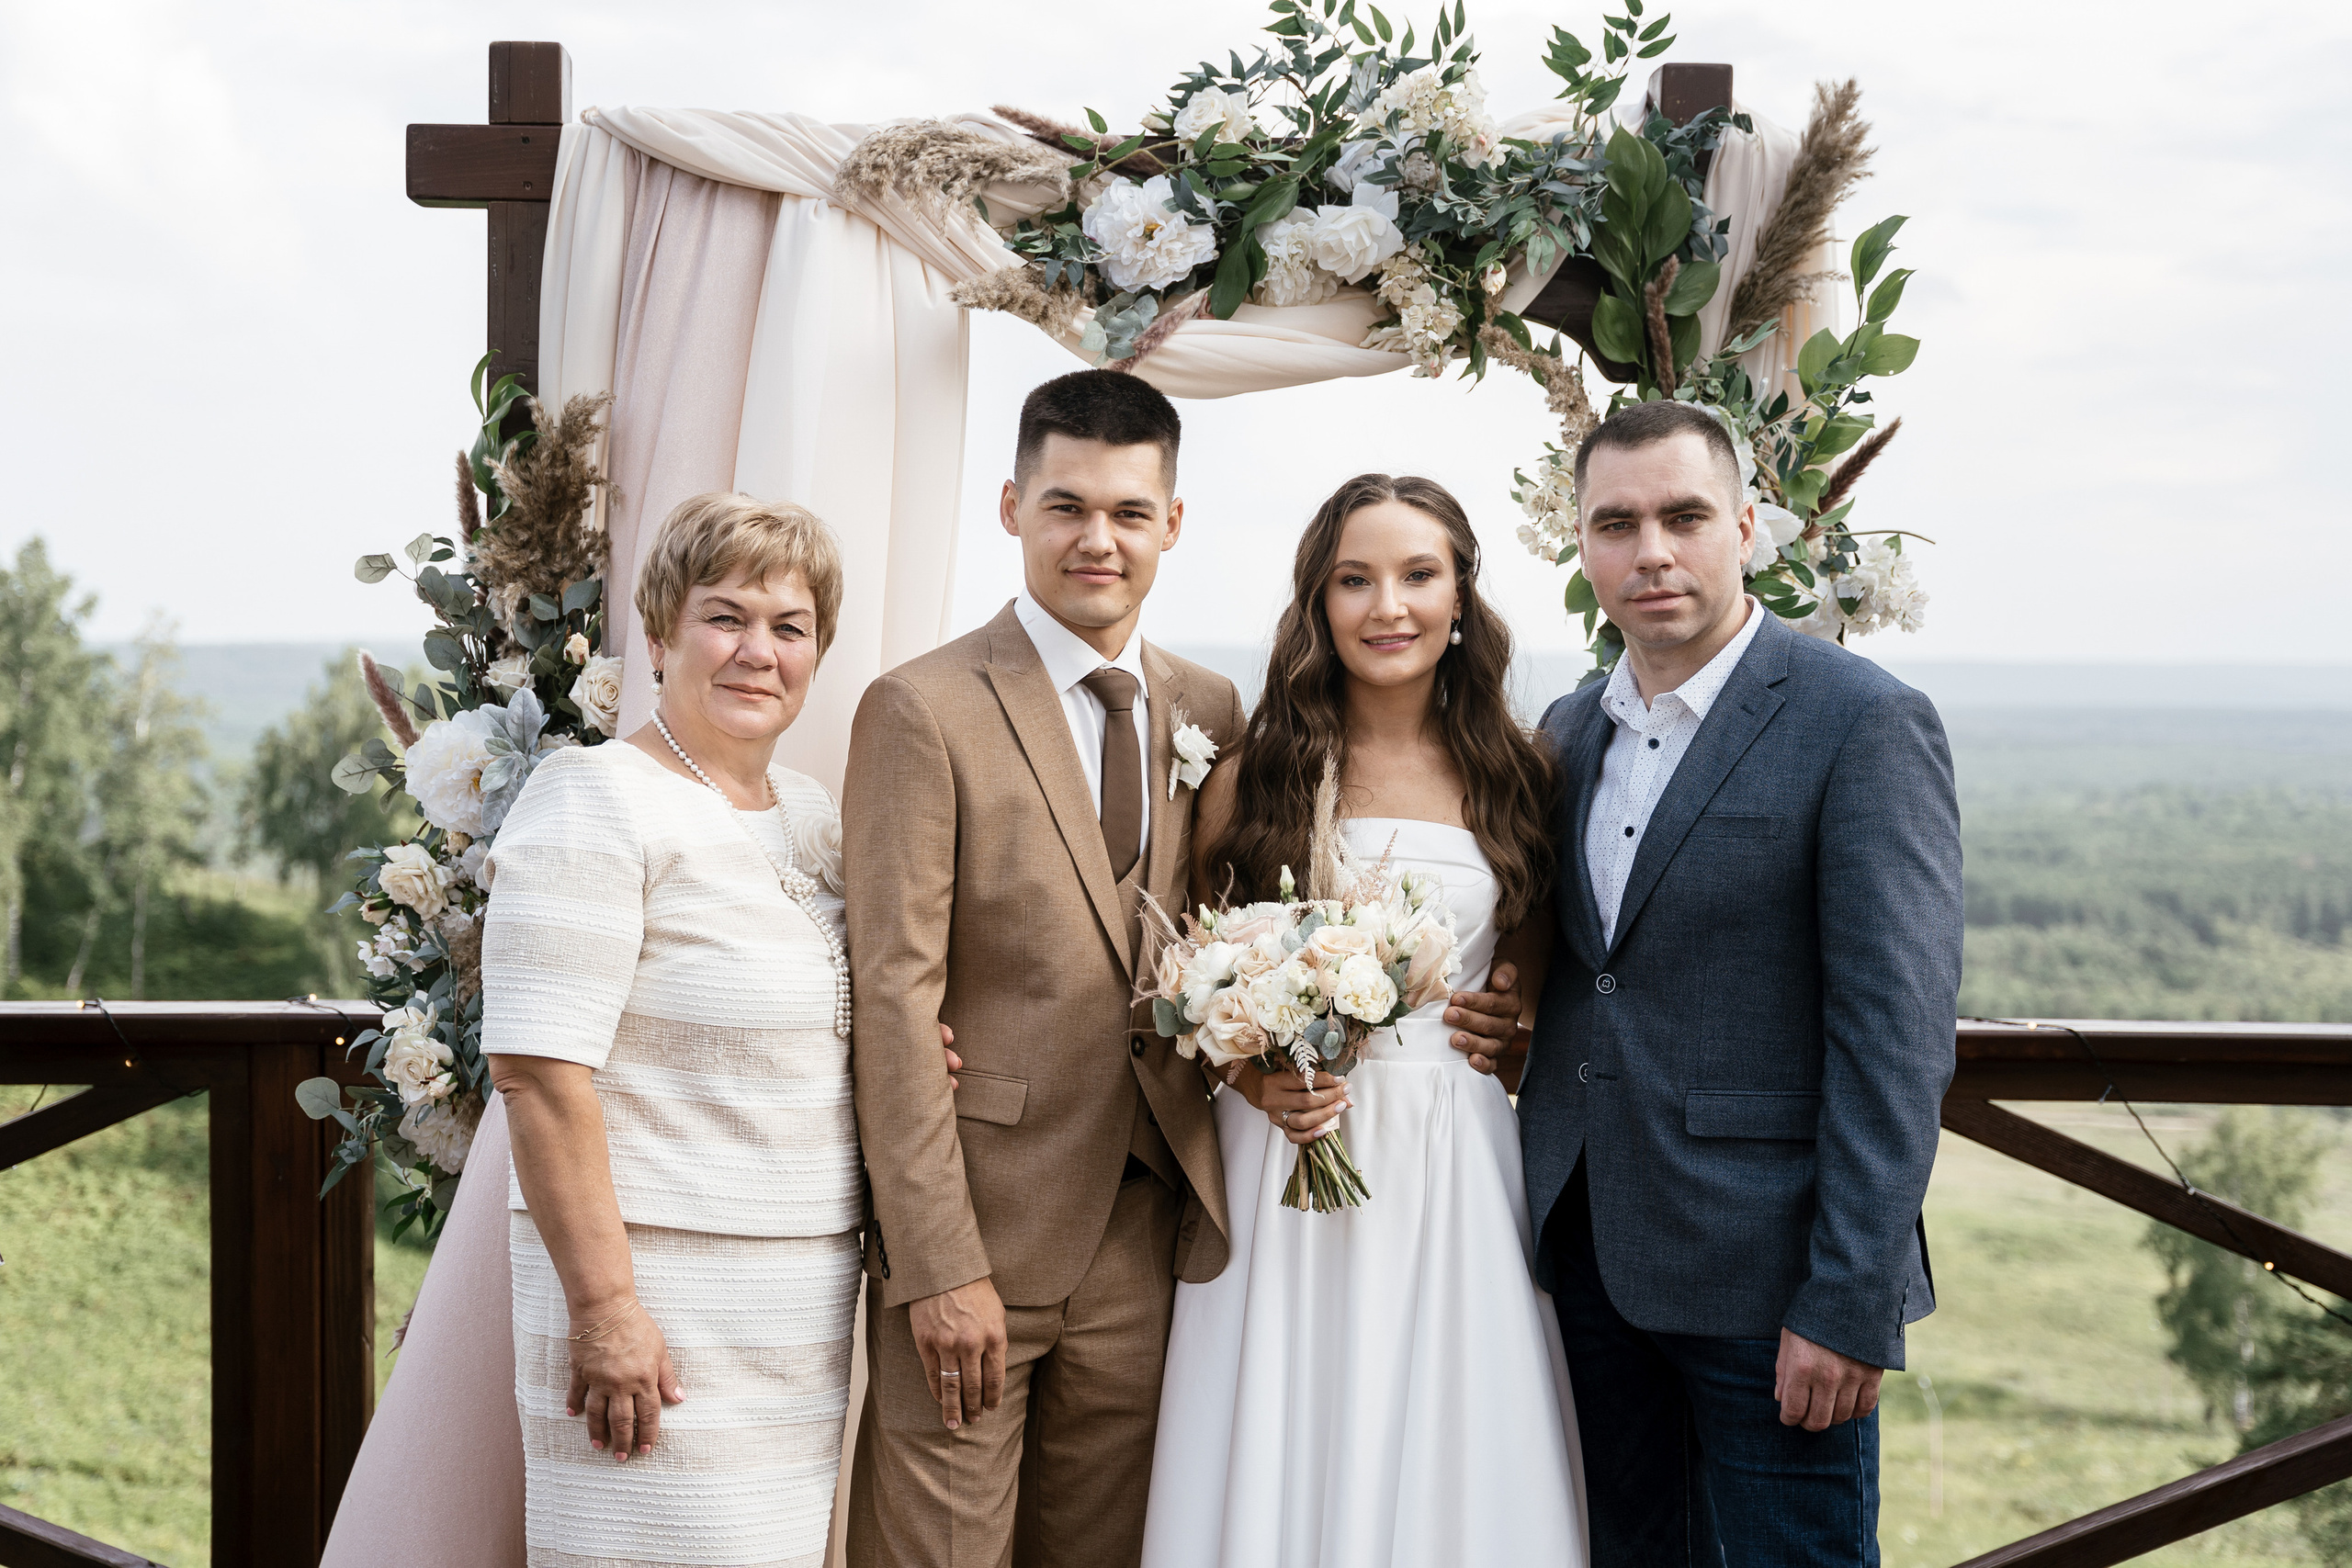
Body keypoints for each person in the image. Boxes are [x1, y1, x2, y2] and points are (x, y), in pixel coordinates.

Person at [840, 374, 1527, 1567]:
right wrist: (936, 1264)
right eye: (1065, 506)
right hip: (984, 1231)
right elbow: (894, 996)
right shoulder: (922, 706)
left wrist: (1512, 1013)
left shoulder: (1205, 709)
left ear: (1171, 522)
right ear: (1010, 508)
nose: (1096, 539)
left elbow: (1204, 940)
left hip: (1157, 1240)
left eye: (1127, 510)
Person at [1506, 400, 1962, 1563]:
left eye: (1685, 517)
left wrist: (1846, 1301)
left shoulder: (1861, 721)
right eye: (1616, 524)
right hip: (1587, 1263)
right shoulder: (1569, 728)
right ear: (1581, 543)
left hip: (1773, 1288)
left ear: (1747, 528)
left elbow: (1896, 1040)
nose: (1651, 552)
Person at [1141, 473, 1582, 1567]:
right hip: (1286, 1149)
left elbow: (1524, 976)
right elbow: (1193, 981)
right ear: (1319, 602)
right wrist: (1257, 1081)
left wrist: (1509, 1017)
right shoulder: (1252, 777)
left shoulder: (1518, 772)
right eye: (1354, 580)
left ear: (1460, 595)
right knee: (1282, 1426)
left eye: (1417, 575)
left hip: (1451, 1157)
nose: (1388, 606)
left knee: (1446, 1434)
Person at [481, 492, 873, 1566]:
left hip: (795, 1314)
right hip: (654, 1303)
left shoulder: (812, 814)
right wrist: (607, 1309)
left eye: (790, 627)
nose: (758, 651)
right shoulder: (592, 798)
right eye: (725, 617)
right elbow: (536, 1077)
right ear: (657, 636)